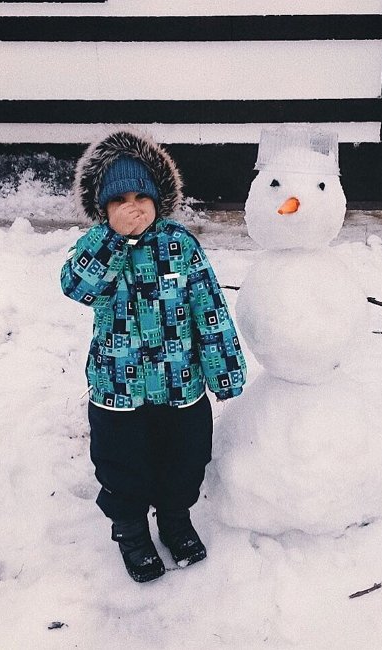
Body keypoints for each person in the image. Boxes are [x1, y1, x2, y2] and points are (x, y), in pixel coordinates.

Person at [61, 129, 246, 582]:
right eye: (120, 198)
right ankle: (129, 530)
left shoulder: (180, 245)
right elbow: (75, 287)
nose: (133, 206)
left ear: (159, 198)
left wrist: (224, 368)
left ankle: (175, 519)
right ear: (102, 208)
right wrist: (111, 242)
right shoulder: (95, 249)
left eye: (142, 195)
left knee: (185, 459)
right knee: (123, 466)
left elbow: (209, 306)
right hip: (118, 389)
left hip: (180, 386)